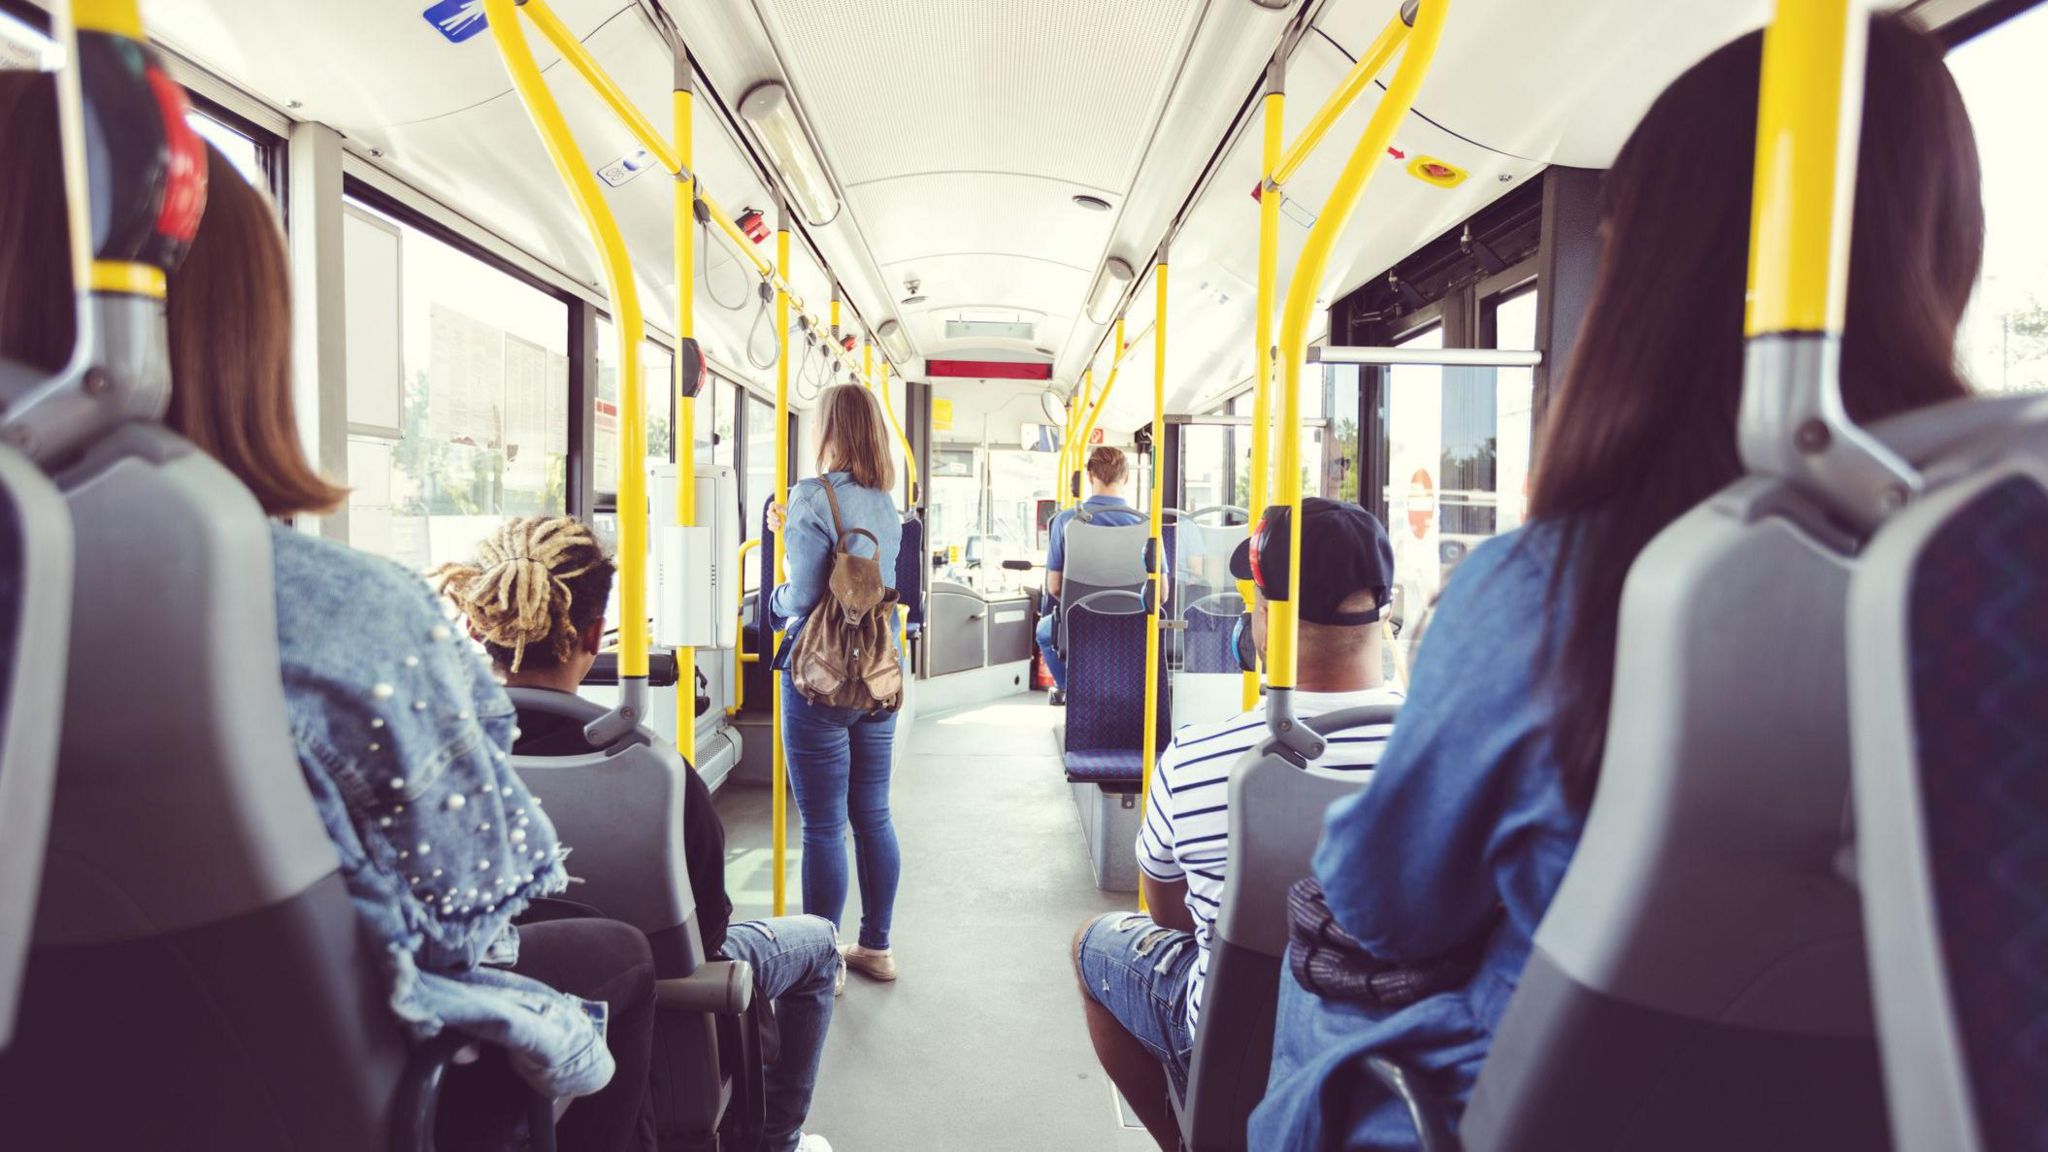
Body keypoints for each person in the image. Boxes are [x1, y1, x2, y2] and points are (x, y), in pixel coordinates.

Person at [1251, 16, 1983, 1150]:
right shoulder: (1991, 608)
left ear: (1647, 281)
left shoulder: (1550, 597)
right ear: (1945, 247)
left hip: (1529, 1116)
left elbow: (1383, 902)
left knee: (1300, 955)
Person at [0, 79, 655, 1152]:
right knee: (609, 959)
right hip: (281, 1100)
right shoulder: (348, 628)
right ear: (231, 342)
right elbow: (468, 924)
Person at [436, 515, 840, 1152]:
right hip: (663, 1003)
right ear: (595, 635)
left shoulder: (435, 764)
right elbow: (705, 934)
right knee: (818, 942)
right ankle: (775, 1142)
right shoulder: (653, 773)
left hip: (482, 1011)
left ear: (481, 629)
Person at [1073, 498, 1406, 1149]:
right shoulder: (1449, 756)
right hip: (1398, 1056)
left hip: (1238, 1041)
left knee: (1094, 943)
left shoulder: (1198, 758)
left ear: (1265, 617)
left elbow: (1167, 912)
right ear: (1385, 612)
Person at [764, 383, 906, 982]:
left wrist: (771, 599)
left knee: (823, 825)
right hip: (878, 672)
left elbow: (801, 595)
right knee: (872, 814)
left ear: (828, 431)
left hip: (820, 676)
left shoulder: (810, 495)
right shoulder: (887, 504)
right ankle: (876, 947)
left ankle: (823, 961)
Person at [1037, 445, 1147, 702]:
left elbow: (1054, 587)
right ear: (1127, 477)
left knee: (1044, 631)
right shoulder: (1145, 524)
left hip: (1081, 624)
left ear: (1089, 476)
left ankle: (1074, 693)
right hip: (1133, 626)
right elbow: (1161, 592)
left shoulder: (1066, 521)